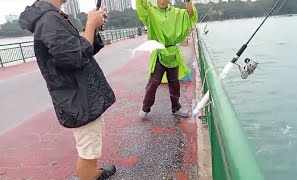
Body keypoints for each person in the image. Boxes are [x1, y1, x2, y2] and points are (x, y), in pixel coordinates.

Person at [19, 0, 116, 179]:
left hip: (79, 91)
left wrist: (93, 28)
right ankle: (90, 175)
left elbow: (78, 50)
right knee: (88, 149)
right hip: (78, 95)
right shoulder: (49, 19)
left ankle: (93, 172)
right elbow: (74, 58)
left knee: (91, 141)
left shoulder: (52, 16)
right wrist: (90, 24)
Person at [136, 0, 198, 118]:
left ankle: (176, 108)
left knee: (174, 83)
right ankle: (145, 108)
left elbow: (190, 15)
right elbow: (141, 6)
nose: (162, 1)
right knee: (153, 83)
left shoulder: (176, 12)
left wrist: (188, 1)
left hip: (173, 53)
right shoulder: (151, 11)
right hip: (159, 53)